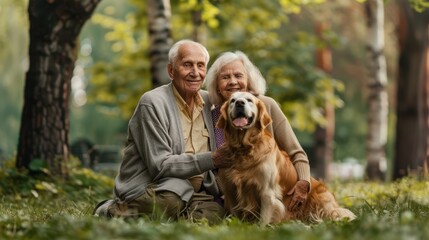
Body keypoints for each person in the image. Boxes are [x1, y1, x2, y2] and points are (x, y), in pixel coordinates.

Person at [94, 40, 229, 224]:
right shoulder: (152, 102)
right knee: (169, 202)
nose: (195, 73)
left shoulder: (209, 102)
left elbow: (249, 98)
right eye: (187, 64)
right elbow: (160, 166)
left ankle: (173, 219)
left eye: (201, 66)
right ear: (171, 71)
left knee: (216, 213)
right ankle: (109, 210)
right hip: (152, 187)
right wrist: (212, 158)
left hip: (193, 193)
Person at [205, 51, 311, 212]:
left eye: (238, 76)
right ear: (217, 86)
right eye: (225, 77)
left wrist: (304, 183)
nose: (233, 82)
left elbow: (296, 152)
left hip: (271, 193)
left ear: (248, 81)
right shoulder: (212, 116)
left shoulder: (266, 105)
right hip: (228, 198)